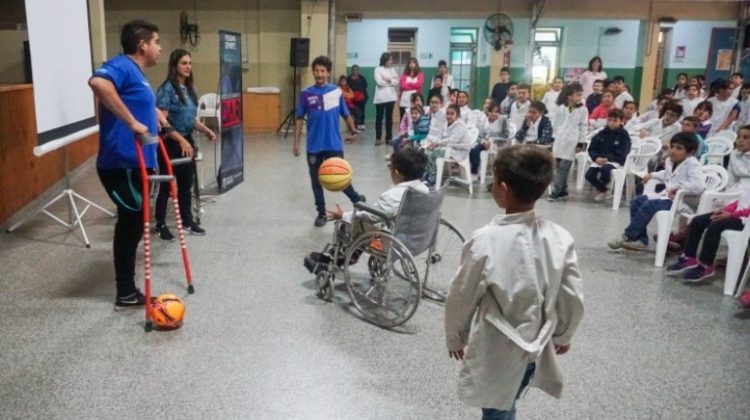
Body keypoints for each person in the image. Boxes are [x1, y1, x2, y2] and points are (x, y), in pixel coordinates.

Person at [445, 144, 584, 420]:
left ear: (503, 189)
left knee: (497, 406)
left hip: (497, 347)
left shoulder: (485, 240)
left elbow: (462, 294)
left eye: (494, 180)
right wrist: (564, 333)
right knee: (509, 397)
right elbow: (573, 294)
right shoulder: (560, 238)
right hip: (537, 345)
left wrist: (455, 336)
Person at [88, 19, 167, 308]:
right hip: (121, 162)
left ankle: (127, 288)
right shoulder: (122, 64)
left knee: (134, 225)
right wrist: (133, 121)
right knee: (130, 224)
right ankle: (125, 291)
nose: (160, 48)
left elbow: (133, 100)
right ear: (142, 45)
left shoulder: (137, 74)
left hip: (138, 162)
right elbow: (97, 82)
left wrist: (152, 112)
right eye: (156, 42)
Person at [292, 56, 365, 227]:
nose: (319, 74)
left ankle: (356, 199)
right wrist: (295, 142)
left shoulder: (336, 92)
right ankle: (321, 213)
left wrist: (354, 131)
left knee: (340, 176)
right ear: (313, 72)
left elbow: (346, 114)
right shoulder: (306, 94)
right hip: (314, 146)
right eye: (316, 70)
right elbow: (299, 118)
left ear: (328, 72)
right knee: (316, 181)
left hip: (333, 144)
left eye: (322, 71)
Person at [153, 49, 216, 241]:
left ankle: (187, 220)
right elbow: (162, 121)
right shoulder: (167, 89)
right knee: (166, 186)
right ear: (174, 66)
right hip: (170, 142)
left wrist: (205, 130)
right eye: (183, 63)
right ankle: (161, 224)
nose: (188, 66)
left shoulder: (190, 89)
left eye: (189, 62)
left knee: (186, 184)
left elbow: (189, 119)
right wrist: (180, 139)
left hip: (187, 141)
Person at [608, 133, 705, 251]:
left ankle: (627, 235)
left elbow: (699, 185)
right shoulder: (670, 161)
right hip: (667, 197)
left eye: (679, 148)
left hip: (682, 201)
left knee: (650, 204)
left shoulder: (693, 165)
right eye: (672, 146)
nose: (673, 151)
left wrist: (679, 187)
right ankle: (641, 240)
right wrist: (652, 175)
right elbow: (667, 174)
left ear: (691, 152)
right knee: (637, 201)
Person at [665, 187, 750, 282]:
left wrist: (731, 215)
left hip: (745, 222)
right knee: (698, 221)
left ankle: (706, 265)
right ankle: (689, 257)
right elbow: (741, 203)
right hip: (737, 215)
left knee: (715, 226)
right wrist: (725, 210)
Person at [549, 82, 588, 201]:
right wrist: (553, 138)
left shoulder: (583, 110)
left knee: (564, 167)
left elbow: (583, 126)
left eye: (581, 95)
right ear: (569, 96)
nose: (580, 97)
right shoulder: (561, 108)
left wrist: (581, 142)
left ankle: (555, 191)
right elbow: (556, 124)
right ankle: (563, 190)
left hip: (572, 140)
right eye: (577, 95)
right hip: (560, 139)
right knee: (559, 166)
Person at [585, 109, 631, 202]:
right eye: (609, 120)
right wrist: (596, 157)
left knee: (605, 170)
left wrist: (608, 158)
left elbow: (624, 151)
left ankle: (603, 188)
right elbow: (592, 148)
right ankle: (604, 190)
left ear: (621, 121)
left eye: (615, 120)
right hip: (599, 159)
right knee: (589, 175)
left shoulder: (623, 135)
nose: (611, 123)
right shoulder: (602, 133)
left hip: (615, 160)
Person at [423, 104, 471, 185]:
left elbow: (453, 140)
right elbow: (440, 136)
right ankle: (427, 174)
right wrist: (433, 143)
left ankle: (432, 178)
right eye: (447, 113)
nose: (449, 116)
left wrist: (438, 143)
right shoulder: (446, 124)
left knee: (434, 154)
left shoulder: (460, 125)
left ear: (458, 115)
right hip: (447, 148)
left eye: (452, 114)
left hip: (458, 151)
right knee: (427, 151)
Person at [469, 101, 510, 177]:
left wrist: (491, 138)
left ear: (499, 112)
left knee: (477, 148)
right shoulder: (484, 121)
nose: (494, 114)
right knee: (473, 148)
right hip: (485, 143)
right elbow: (479, 136)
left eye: (496, 112)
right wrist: (484, 142)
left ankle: (473, 172)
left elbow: (506, 135)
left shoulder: (503, 120)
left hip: (498, 144)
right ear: (488, 112)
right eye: (491, 111)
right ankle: (474, 171)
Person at [373, 52, 400, 146]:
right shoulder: (377, 69)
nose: (392, 61)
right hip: (380, 97)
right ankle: (378, 138)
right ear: (385, 60)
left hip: (391, 97)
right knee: (379, 118)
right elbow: (379, 82)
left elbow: (397, 82)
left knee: (389, 118)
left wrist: (387, 79)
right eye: (390, 59)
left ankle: (389, 138)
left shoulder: (392, 70)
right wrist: (391, 81)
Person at [347, 65, 368, 130]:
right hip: (352, 98)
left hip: (361, 98)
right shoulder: (348, 79)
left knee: (362, 111)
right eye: (354, 70)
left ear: (358, 70)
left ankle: (361, 124)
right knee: (353, 111)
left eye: (356, 70)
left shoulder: (362, 78)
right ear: (352, 70)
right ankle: (354, 125)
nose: (355, 71)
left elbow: (365, 85)